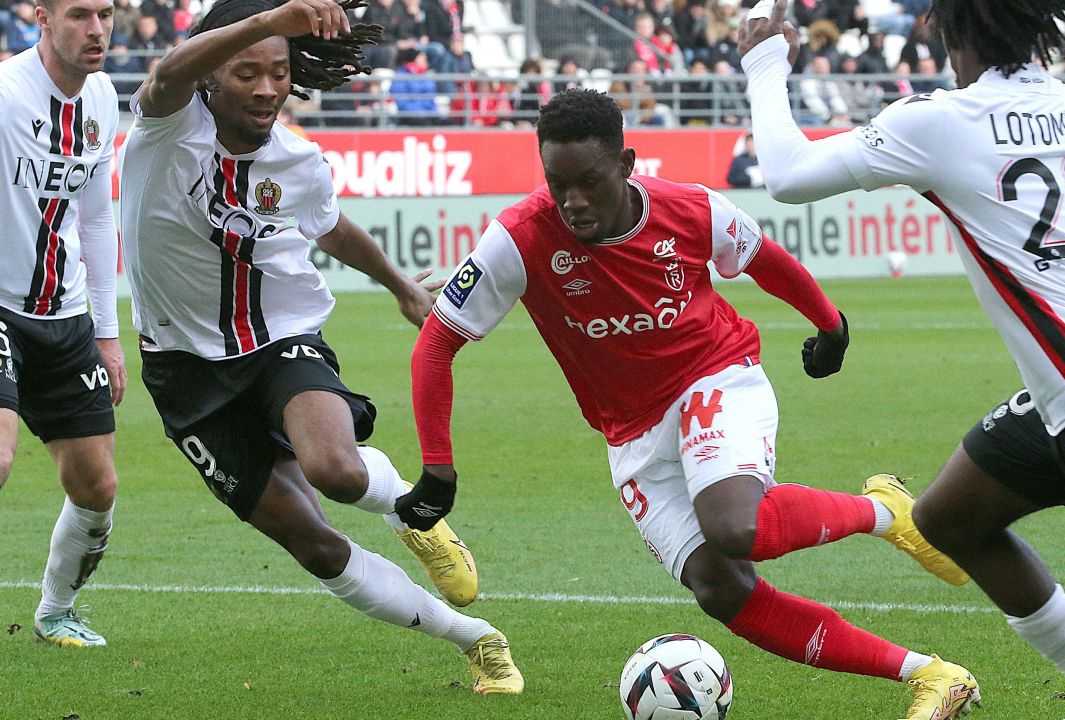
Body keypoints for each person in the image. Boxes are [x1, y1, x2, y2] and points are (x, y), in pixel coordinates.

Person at [739, 0, 1065, 715]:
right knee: (950, 519)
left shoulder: (939, 121)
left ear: (951, 31)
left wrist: (764, 60)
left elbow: (786, 173)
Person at [402, 87, 979, 720]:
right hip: (630, 431)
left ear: (626, 164)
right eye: (557, 183)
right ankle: (933, 675)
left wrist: (829, 322)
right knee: (720, 586)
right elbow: (435, 346)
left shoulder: (692, 209)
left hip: (715, 378)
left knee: (736, 527)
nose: (573, 201)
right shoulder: (519, 237)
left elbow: (764, 259)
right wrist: (438, 465)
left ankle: (883, 512)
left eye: (589, 182)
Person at [116, 0, 522, 694]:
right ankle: (478, 640)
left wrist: (398, 283)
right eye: (247, 72)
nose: (268, 87)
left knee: (334, 468)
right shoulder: (164, 127)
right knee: (314, 543)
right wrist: (265, 18)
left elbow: (330, 230)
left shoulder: (298, 160)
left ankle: (411, 512)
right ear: (212, 77)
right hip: (183, 373)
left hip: (277, 339)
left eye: (279, 72)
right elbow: (165, 72)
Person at [0, 0, 123, 649]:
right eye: (80, 14)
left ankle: (55, 612)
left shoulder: (102, 98)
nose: (97, 29)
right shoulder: (6, 95)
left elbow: (97, 219)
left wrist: (107, 332)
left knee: (97, 483)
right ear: (41, 18)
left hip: (64, 314)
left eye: (106, 13)